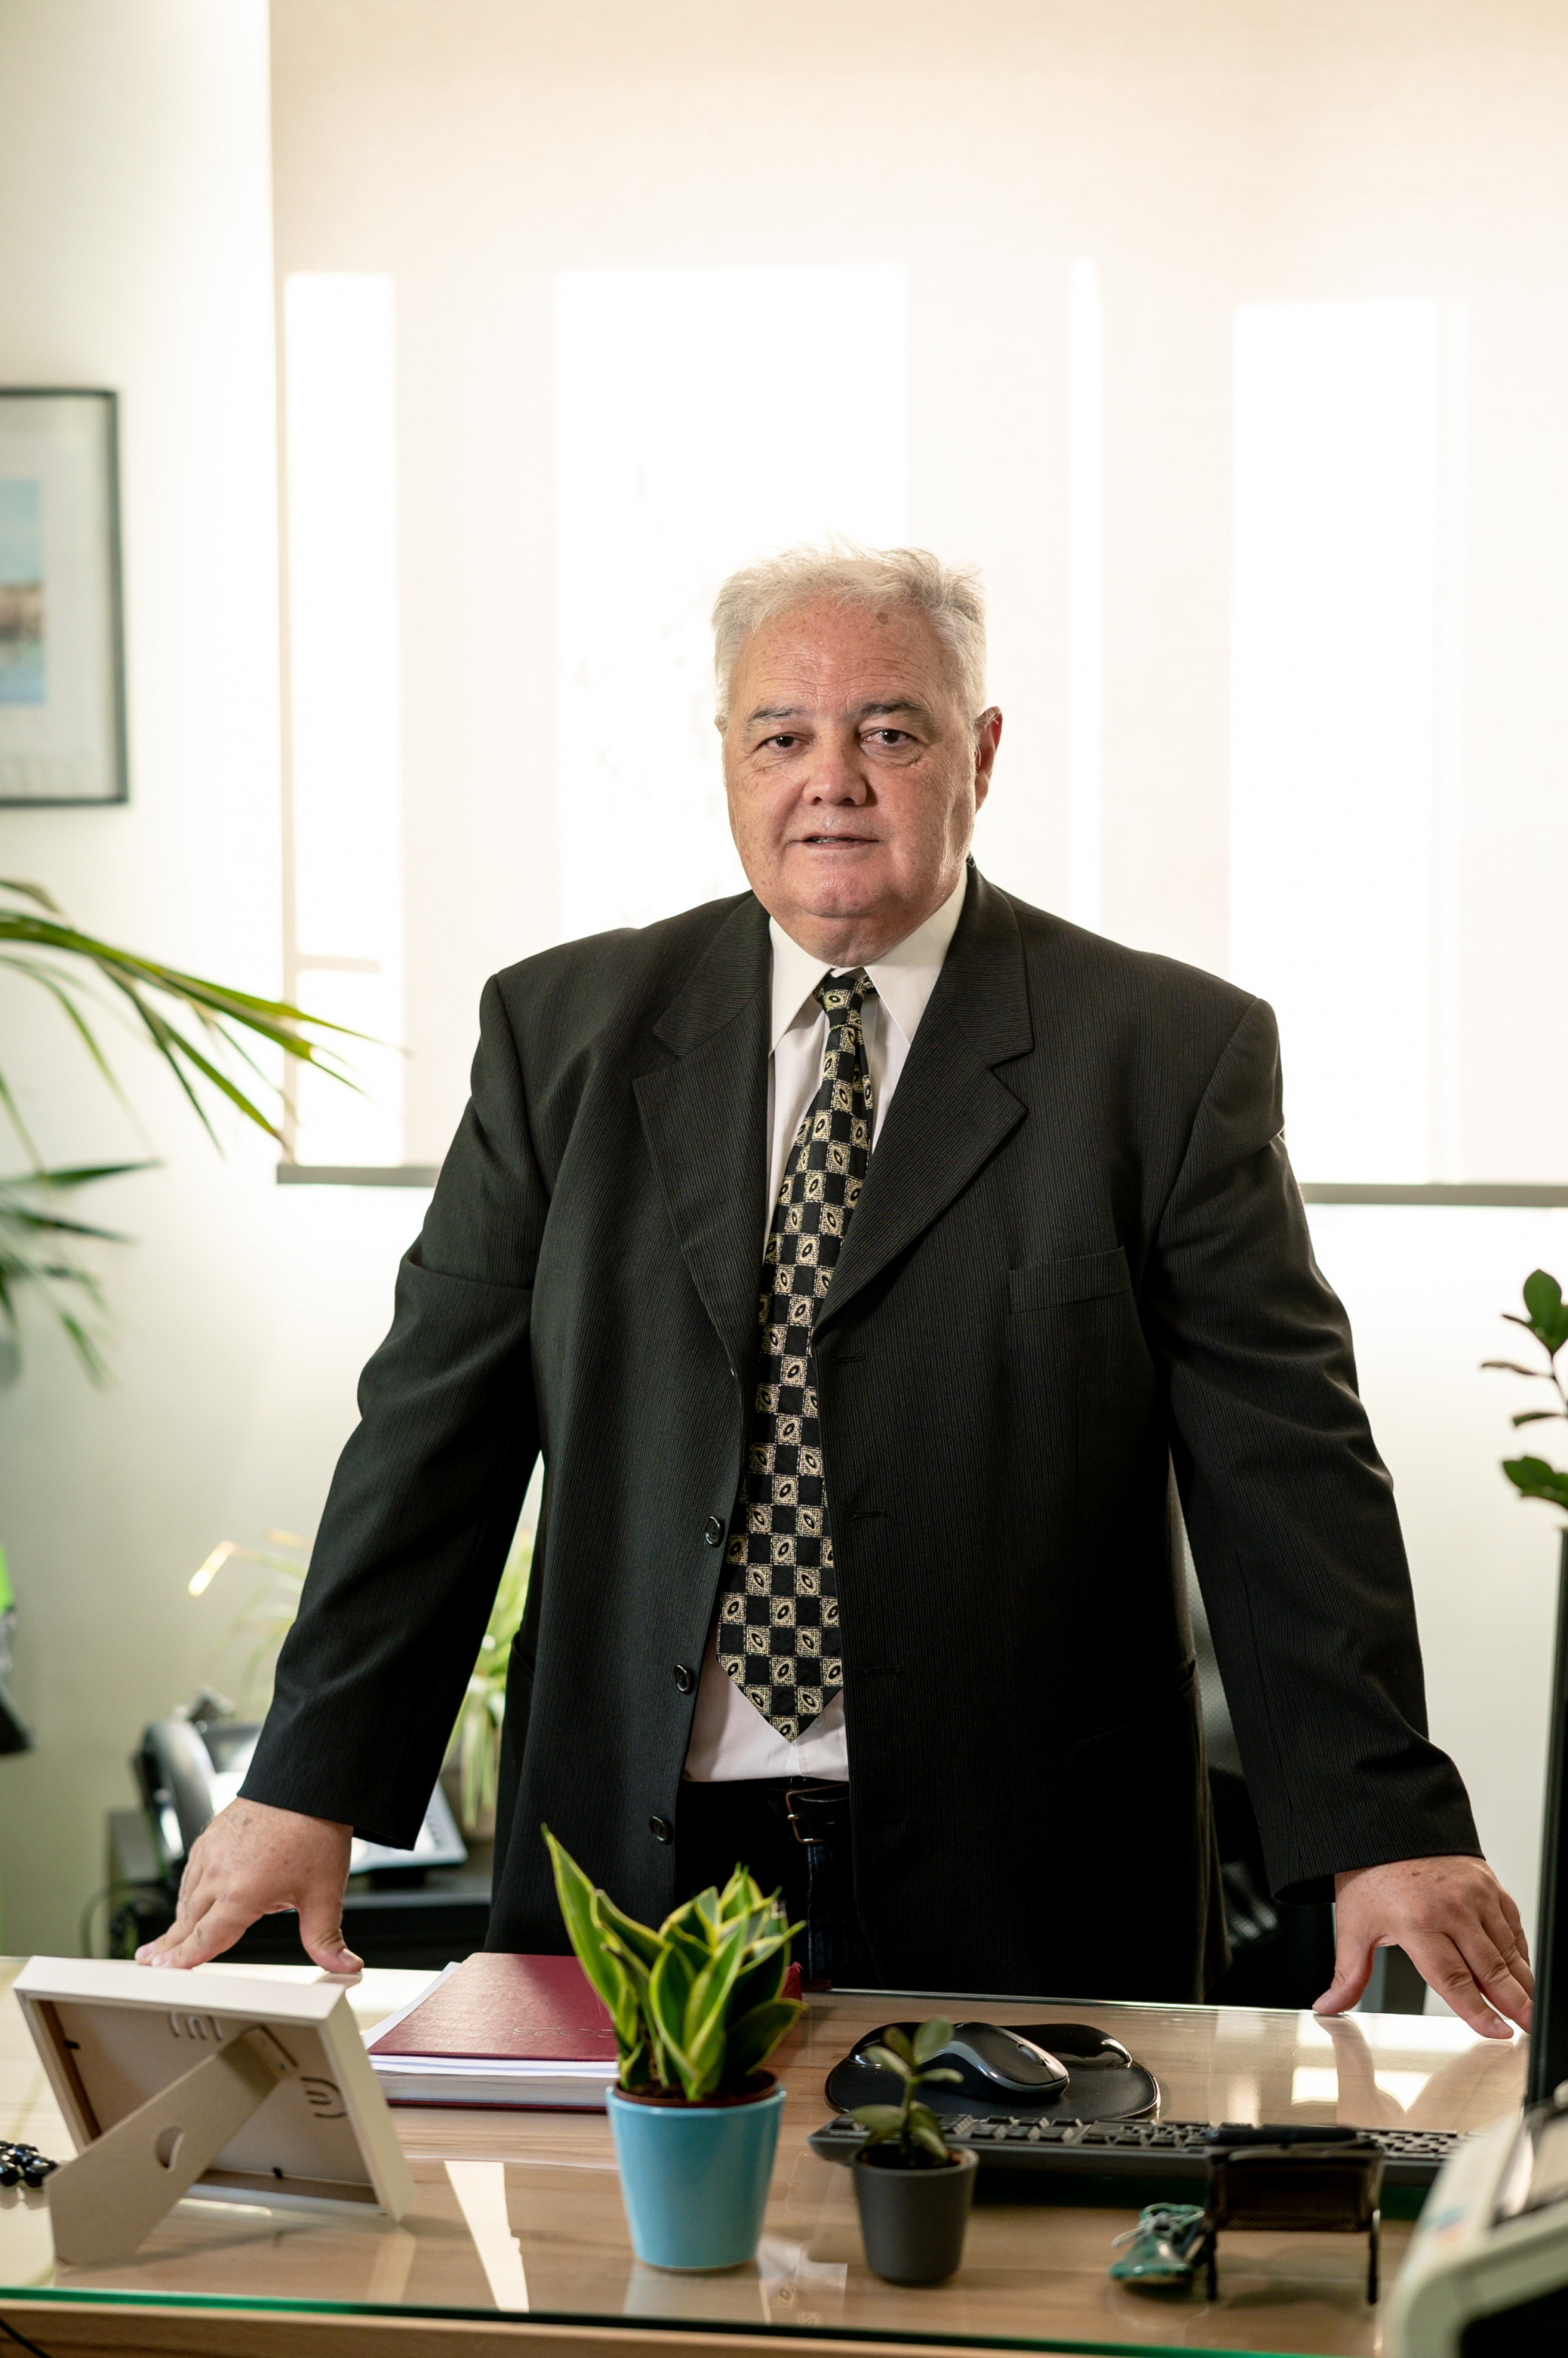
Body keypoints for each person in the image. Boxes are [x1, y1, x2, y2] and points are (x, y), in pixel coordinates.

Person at [141, 544, 1531, 2035]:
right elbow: (434, 1432)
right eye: (782, 736)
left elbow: (1285, 1465)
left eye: (890, 731)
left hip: (1035, 1874)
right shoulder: (561, 1035)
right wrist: (309, 1780)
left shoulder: (1164, 1055)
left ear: (980, 754)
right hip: (635, 1863)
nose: (833, 783)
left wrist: (1381, 1819)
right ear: (727, 760)